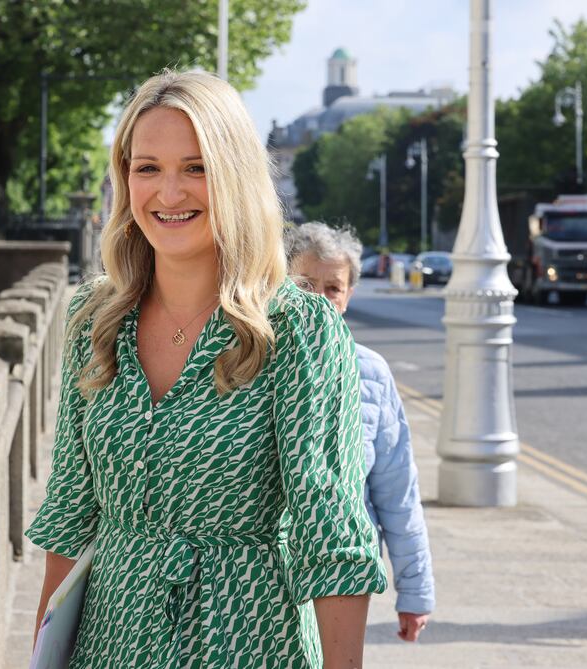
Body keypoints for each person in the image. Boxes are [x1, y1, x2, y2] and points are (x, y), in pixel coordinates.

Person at [26, 70, 386, 669]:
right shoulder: (94, 319)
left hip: (249, 643)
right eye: (148, 168)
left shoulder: (298, 330)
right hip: (110, 645)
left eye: (196, 168)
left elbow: (333, 537)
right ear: (125, 179)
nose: (169, 194)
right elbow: (69, 516)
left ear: (235, 175)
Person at [286, 221, 436, 643]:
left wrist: (416, 590)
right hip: (270, 575)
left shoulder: (371, 372)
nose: (319, 300)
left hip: (343, 575)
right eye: (304, 285)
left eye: (332, 288)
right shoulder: (250, 362)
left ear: (349, 295)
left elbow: (397, 491)